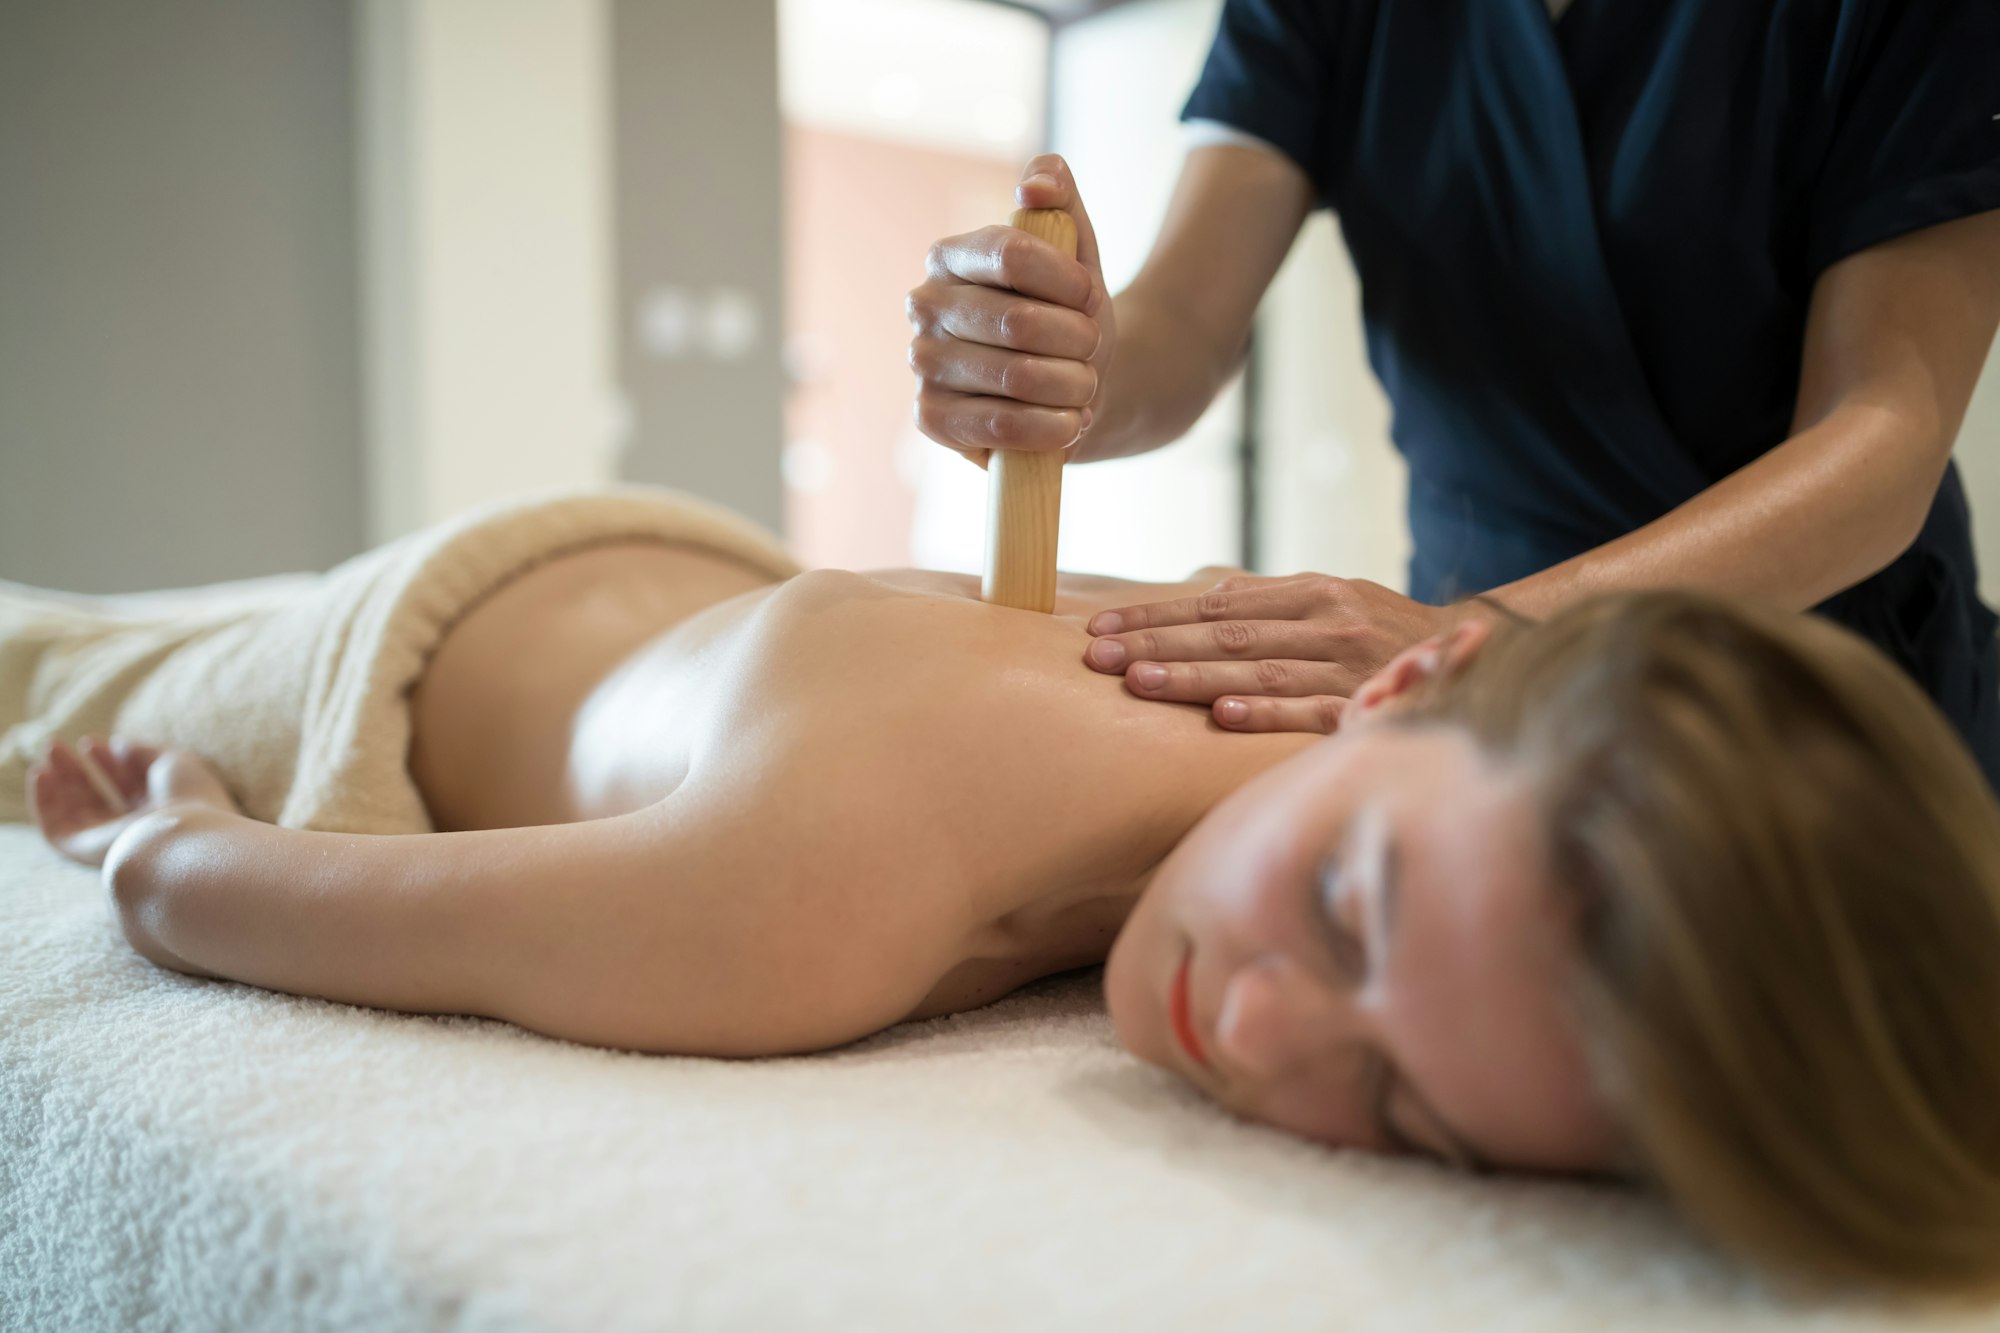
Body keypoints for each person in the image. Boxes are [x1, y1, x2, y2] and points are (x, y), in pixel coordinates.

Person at [21, 531, 2000, 1298]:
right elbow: (227, 897)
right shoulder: (810, 896)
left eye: (1406, 1116)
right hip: (412, 645)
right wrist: (173, 824)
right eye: (1343, 903)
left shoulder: (1298, 725)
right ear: (1398, 678)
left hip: (699, 584)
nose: (1270, 1032)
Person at [905, 0, 2000, 782]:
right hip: (1460, 677)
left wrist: (1476, 640)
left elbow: (1878, 440)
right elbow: (1181, 328)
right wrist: (1061, 357)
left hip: (1812, 689)